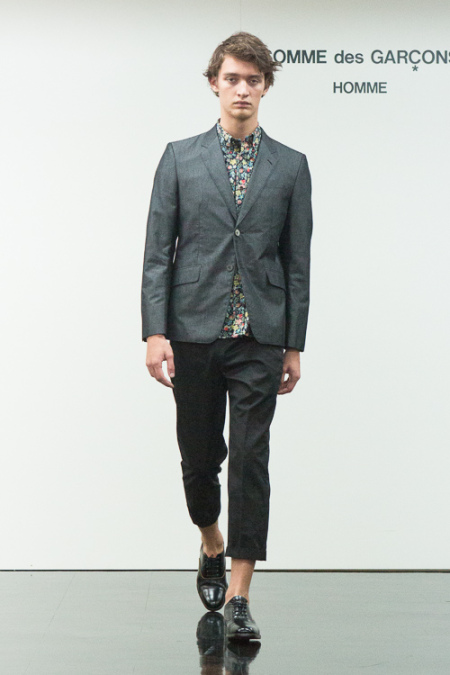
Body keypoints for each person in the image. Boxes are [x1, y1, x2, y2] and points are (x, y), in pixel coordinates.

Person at [141, 31, 313, 641]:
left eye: (253, 80)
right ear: (214, 83)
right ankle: (211, 540)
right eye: (233, 78)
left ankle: (239, 595)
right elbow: (157, 253)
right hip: (192, 331)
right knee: (198, 458)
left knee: (250, 459)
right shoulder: (179, 158)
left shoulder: (291, 166)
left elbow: (298, 262)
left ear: (266, 87)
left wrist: (293, 343)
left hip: (260, 335)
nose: (242, 89)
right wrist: (155, 331)